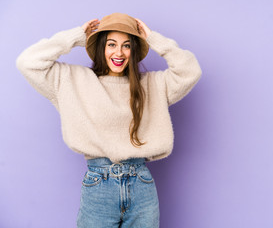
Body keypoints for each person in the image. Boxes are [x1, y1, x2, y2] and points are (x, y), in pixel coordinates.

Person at [16, 13, 201, 228]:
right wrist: (75, 37)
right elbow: (27, 62)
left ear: (133, 51)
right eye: (111, 44)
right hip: (99, 186)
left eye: (127, 45)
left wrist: (153, 39)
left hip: (141, 185)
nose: (119, 53)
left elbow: (190, 71)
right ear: (101, 47)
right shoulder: (72, 81)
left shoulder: (153, 85)